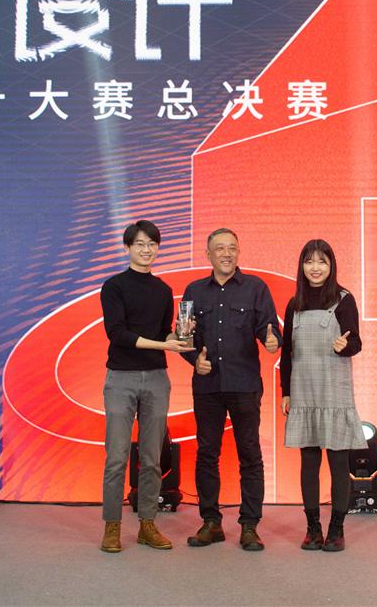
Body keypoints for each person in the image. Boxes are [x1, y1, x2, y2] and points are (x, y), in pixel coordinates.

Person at [99, 220, 194, 553]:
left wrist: (180, 335)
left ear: (158, 248)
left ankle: (147, 524)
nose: (146, 249)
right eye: (139, 244)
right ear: (127, 248)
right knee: (117, 457)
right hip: (121, 378)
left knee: (153, 458)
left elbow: (164, 332)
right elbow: (118, 334)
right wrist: (163, 345)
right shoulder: (114, 286)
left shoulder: (163, 290)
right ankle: (112, 526)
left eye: (152, 244)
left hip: (156, 378)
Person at [182, 228, 280, 550]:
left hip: (244, 384)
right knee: (207, 454)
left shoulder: (255, 288)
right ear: (208, 255)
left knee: (249, 454)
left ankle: (249, 526)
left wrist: (272, 341)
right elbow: (183, 337)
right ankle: (211, 523)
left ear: (238, 252)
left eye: (232, 248)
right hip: (207, 386)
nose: (226, 254)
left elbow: (270, 330)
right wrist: (195, 360)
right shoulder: (193, 291)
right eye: (220, 248)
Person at [279, 239, 366, 552]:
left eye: (321, 261)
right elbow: (287, 353)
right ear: (302, 266)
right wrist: (286, 392)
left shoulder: (344, 300)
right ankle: (313, 528)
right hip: (303, 390)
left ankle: (337, 529)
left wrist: (346, 346)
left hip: (333, 391)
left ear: (331, 266)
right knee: (309, 461)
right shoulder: (294, 304)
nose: (315, 268)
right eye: (309, 261)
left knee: (339, 461)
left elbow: (355, 342)